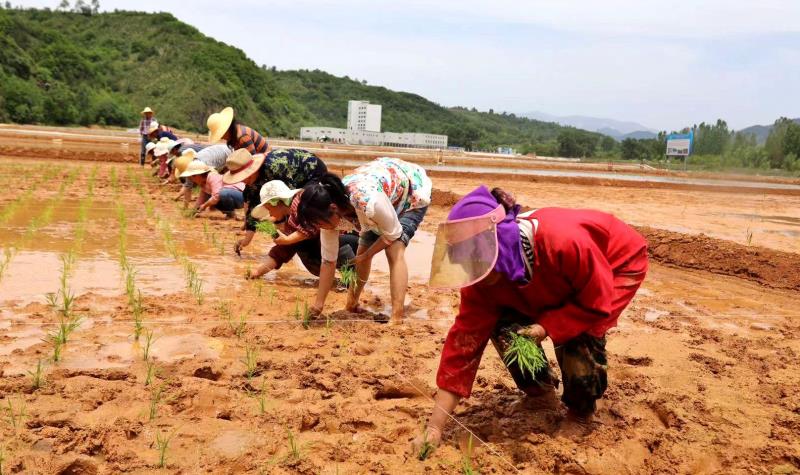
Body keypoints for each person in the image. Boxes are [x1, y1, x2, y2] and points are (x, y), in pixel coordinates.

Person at [412, 185, 649, 454]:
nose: (474, 272)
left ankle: (581, 412)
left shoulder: (563, 242)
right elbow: (462, 347)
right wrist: (435, 427)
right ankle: (540, 392)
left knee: (581, 333)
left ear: (500, 241)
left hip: (612, 265)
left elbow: (595, 302)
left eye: (478, 261)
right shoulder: (481, 279)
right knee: (502, 325)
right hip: (552, 278)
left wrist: (547, 326)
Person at [295, 157, 431, 320]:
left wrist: (367, 256)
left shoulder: (368, 203)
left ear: (333, 208)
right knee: (362, 248)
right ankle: (351, 304)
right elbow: (328, 262)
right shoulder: (329, 215)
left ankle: (397, 316)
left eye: (318, 223)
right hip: (378, 198)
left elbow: (392, 234)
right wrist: (318, 305)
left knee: (394, 249)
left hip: (409, 191)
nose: (319, 228)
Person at [222, 148, 328, 254]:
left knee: (302, 206)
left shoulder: (276, 168)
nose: (243, 180)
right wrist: (246, 240)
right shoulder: (252, 183)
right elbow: (252, 208)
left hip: (312, 171)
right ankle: (294, 242)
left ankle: (309, 240)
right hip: (293, 176)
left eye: (245, 176)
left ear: (253, 169)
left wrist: (286, 236)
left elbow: (288, 200)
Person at [245, 180, 358, 279]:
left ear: (276, 203)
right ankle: (347, 279)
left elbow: (310, 228)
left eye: (269, 209)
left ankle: (353, 279)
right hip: (332, 242)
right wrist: (258, 271)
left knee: (304, 243)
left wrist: (289, 240)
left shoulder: (301, 204)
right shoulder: (291, 217)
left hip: (348, 238)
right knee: (299, 245)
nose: (269, 214)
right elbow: (282, 251)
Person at [180, 162, 244, 218]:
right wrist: (193, 212)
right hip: (234, 198)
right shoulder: (204, 185)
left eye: (191, 178)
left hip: (242, 196)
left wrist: (205, 205)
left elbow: (217, 195)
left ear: (196, 175)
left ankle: (231, 213)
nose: (192, 180)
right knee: (213, 199)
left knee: (222, 194)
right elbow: (200, 201)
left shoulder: (212, 177)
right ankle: (230, 214)